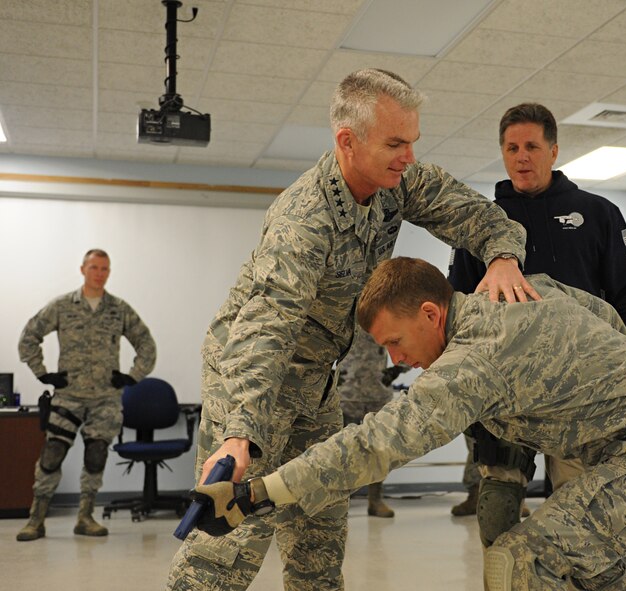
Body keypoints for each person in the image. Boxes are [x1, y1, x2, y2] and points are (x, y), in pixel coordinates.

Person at [166, 69, 535, 591]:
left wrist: (501, 257)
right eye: (395, 143)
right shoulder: (304, 220)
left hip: (317, 381)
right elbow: (266, 327)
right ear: (348, 141)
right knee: (226, 546)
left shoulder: (395, 182)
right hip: (256, 381)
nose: (408, 156)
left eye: (412, 142)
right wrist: (237, 433)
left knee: (320, 533)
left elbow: (477, 215)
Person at [189, 257, 626, 591]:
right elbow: (601, 315)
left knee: (518, 562)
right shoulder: (517, 290)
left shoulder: (474, 359)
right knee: (589, 558)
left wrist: (259, 492)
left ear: (430, 312)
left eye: (395, 342)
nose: (394, 360)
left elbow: (375, 444)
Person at [448, 103, 626, 532]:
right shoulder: (480, 222)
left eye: (532, 147)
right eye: (512, 147)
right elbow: (458, 305)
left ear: (553, 151)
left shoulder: (598, 213)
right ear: (502, 152)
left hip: (579, 385)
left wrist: (619, 362)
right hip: (503, 386)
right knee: (498, 503)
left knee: (579, 509)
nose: (522, 156)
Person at [16, 248, 156, 541]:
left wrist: (132, 376)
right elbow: (29, 337)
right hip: (68, 396)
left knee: (96, 454)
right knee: (52, 455)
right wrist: (43, 373)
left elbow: (146, 345)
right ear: (83, 270)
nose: (99, 273)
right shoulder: (62, 306)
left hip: (105, 398)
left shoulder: (119, 309)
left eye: (105, 269)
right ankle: (35, 520)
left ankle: (85, 517)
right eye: (94, 268)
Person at [337, 328, 408, 518]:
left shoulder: (380, 312)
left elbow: (405, 337)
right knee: (343, 451)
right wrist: (331, 372)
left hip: (377, 392)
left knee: (380, 449)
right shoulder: (345, 313)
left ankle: (375, 500)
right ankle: (339, 502)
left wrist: (398, 369)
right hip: (347, 394)